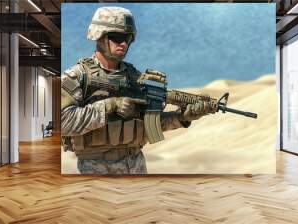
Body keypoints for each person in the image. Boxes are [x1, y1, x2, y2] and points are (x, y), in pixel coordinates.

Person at [61, 6, 209, 174]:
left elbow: (148, 125)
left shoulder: (135, 77)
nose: (123, 43)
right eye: (117, 37)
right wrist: (111, 106)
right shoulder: (78, 76)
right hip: (97, 167)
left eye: (128, 38)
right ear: (99, 35)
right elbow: (62, 122)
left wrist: (181, 117)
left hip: (136, 164)